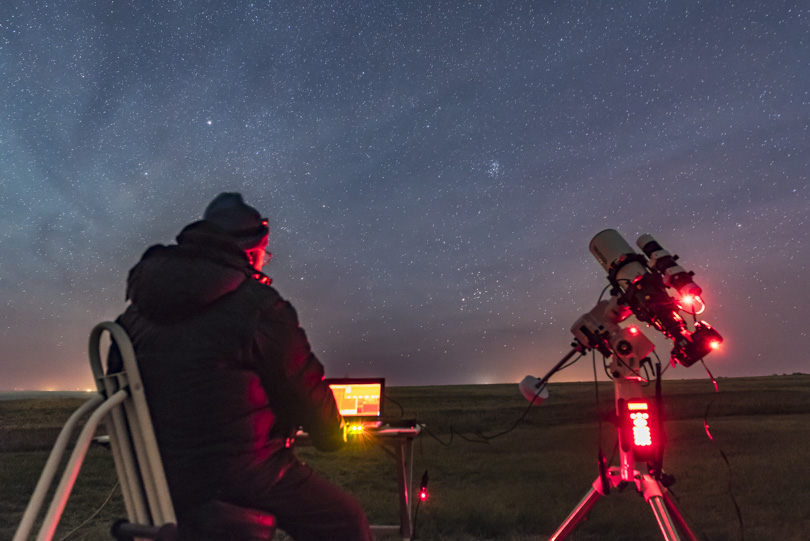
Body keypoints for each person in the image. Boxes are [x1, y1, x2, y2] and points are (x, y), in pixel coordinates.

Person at [115, 193, 372, 541]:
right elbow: (303, 386)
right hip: (239, 475)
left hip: (160, 480)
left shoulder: (134, 312)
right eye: (266, 254)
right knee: (343, 521)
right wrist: (332, 435)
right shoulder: (258, 306)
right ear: (252, 251)